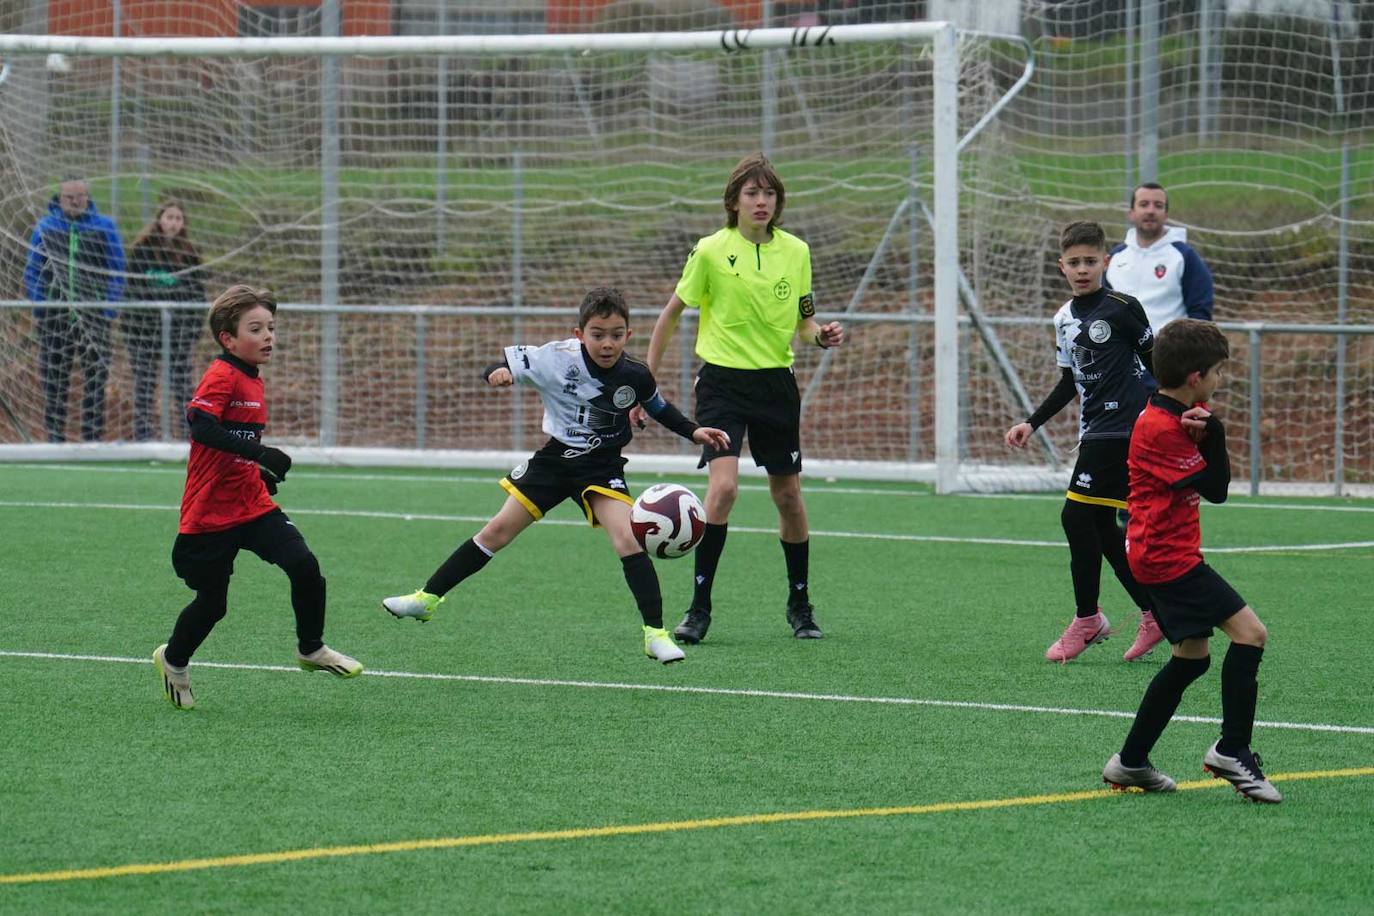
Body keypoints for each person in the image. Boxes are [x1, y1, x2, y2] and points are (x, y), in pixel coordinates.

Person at [381, 287, 731, 664]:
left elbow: (659, 408)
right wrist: (497, 374)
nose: (607, 343)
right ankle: (427, 599)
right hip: (554, 461)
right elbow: (501, 363)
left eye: (616, 335)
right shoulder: (555, 358)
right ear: (579, 334)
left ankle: (655, 634)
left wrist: (694, 431)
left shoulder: (636, 375)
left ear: (628, 336)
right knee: (495, 532)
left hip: (601, 466)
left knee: (628, 540)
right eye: (597, 334)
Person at [636, 153, 843, 644]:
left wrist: (820, 336)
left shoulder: (797, 251)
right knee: (724, 489)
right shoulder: (709, 250)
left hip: (776, 385)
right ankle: (699, 609)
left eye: (769, 193)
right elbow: (670, 315)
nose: (762, 201)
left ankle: (799, 604)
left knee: (788, 496)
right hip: (722, 385)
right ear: (734, 201)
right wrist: (645, 383)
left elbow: (805, 323)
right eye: (752, 193)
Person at [153, 285, 362, 710]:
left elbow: (234, 441)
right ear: (228, 339)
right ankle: (173, 660)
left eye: (271, 327)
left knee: (304, 566)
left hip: (251, 503)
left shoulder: (252, 378)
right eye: (256, 328)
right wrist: (260, 452)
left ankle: (311, 648)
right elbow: (201, 426)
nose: (268, 336)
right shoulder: (223, 374)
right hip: (209, 513)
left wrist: (258, 473)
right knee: (213, 605)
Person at [1102, 318, 1280, 803]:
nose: (1221, 380)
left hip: (1156, 551)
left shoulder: (1172, 412)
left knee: (1192, 658)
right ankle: (1232, 749)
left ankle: (1131, 761)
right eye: (1218, 372)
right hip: (1166, 556)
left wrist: (1205, 428)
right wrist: (1215, 433)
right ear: (1196, 377)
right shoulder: (1161, 427)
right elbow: (1217, 490)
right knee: (1252, 635)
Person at [1005, 221, 1162, 663]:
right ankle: (1153, 613)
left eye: (1090, 261)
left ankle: (1088, 619)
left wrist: (1177, 411)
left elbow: (1156, 366)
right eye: (1074, 263)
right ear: (1062, 266)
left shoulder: (1124, 308)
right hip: (1094, 430)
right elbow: (1068, 382)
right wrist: (1031, 423)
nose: (1082, 269)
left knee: (1076, 517)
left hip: (1127, 429)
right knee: (1100, 529)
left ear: (1105, 262)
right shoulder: (1063, 319)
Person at [23, 177, 126, 442]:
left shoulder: (104, 227)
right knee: (55, 379)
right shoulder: (45, 228)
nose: (75, 201)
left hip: (94, 318)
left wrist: (109, 309)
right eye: (69, 196)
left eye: (80, 196)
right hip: (54, 319)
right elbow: (32, 271)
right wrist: (41, 306)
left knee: (95, 379)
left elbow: (117, 270)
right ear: (59, 198)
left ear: (87, 196)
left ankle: (92, 438)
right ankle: (55, 437)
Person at [123, 198, 208, 441]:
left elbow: (197, 297)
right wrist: (133, 328)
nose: (172, 223)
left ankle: (186, 435)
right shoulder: (142, 251)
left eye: (178, 218)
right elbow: (131, 291)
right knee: (145, 384)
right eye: (169, 217)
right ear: (159, 219)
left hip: (179, 334)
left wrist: (192, 331)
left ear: (183, 224)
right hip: (145, 332)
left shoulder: (190, 256)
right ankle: (143, 435)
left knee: (182, 385)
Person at [1105, 182, 1214, 335]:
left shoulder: (1184, 257)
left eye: (1158, 205)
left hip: (1170, 355)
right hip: (1121, 355)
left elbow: (1200, 311)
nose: (1151, 211)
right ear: (1131, 213)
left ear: (1166, 215)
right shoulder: (1114, 258)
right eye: (1144, 204)